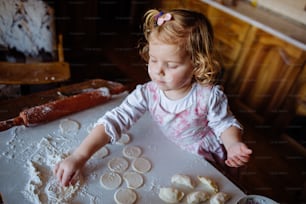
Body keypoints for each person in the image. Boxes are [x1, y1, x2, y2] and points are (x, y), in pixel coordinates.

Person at [54, 9, 252, 187]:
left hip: (205, 158)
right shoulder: (147, 93)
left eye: (171, 65)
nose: (158, 71)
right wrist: (79, 156)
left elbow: (224, 124)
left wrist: (233, 144)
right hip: (172, 151)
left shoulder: (208, 96)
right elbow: (116, 118)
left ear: (196, 64)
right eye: (154, 59)